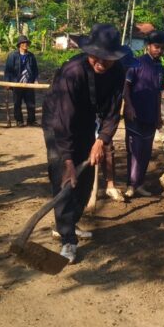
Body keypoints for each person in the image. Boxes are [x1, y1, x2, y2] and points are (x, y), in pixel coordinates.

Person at [42, 24, 126, 263]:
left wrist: (101, 140)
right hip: (57, 122)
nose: (100, 62)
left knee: (87, 173)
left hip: (87, 121)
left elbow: (112, 111)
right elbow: (63, 120)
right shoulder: (72, 73)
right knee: (65, 178)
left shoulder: (118, 72)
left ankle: (69, 221)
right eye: (96, 56)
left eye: (107, 58)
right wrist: (67, 160)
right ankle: (67, 238)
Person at [123, 29, 164, 198]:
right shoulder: (136, 63)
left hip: (150, 114)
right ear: (149, 46)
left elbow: (158, 94)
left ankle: (140, 184)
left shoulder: (160, 69)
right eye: (156, 46)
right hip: (135, 113)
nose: (159, 50)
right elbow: (126, 87)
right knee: (134, 150)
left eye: (162, 48)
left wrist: (159, 116)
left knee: (146, 151)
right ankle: (131, 185)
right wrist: (128, 106)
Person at [4, 35, 39, 126]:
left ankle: (31, 121)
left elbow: (35, 69)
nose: (25, 44)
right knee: (17, 103)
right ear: (19, 45)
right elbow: (8, 70)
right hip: (17, 83)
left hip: (29, 83)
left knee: (31, 103)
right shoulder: (13, 55)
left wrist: (35, 79)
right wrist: (7, 82)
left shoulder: (31, 56)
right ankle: (19, 121)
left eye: (27, 43)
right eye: (23, 43)